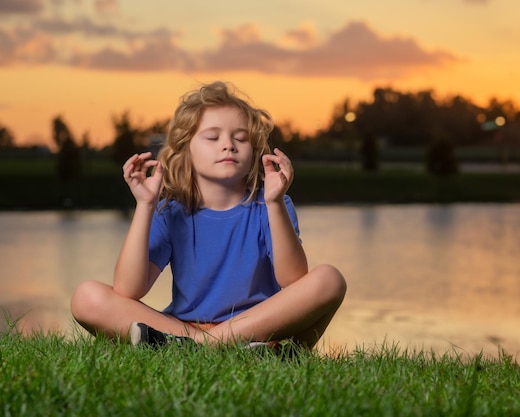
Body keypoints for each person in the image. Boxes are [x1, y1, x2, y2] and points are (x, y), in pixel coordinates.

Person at [70, 81, 347, 349]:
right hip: (182, 328)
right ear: (186, 149)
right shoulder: (170, 211)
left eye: (241, 138)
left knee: (329, 279)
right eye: (213, 137)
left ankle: (200, 347)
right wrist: (145, 206)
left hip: (256, 328)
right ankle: (208, 345)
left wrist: (274, 202)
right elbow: (128, 290)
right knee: (86, 297)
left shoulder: (273, 204)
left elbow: (294, 280)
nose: (228, 145)